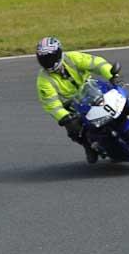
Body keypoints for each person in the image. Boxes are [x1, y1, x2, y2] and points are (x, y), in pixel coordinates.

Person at [35, 36, 123, 164]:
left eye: (49, 58)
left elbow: (97, 63)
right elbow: (51, 104)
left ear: (59, 53)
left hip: (94, 89)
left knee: (118, 94)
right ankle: (88, 146)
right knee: (74, 129)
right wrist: (64, 118)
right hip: (74, 105)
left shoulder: (72, 58)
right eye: (43, 59)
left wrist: (112, 76)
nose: (47, 62)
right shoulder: (43, 80)